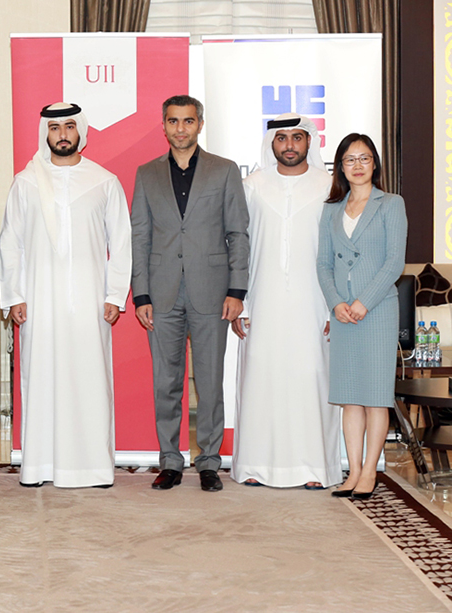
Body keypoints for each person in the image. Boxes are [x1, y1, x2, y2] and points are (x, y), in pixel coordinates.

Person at [0, 102, 132, 489]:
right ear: (46, 133)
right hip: (39, 302)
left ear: (81, 132)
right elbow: (10, 243)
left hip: (90, 302)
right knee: (42, 379)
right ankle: (40, 467)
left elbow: (121, 243)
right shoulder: (26, 182)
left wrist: (114, 295)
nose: (62, 135)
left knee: (90, 381)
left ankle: (93, 468)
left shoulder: (104, 181)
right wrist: (15, 295)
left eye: (69, 127)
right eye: (55, 128)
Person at [130, 95, 249, 493]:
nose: (180, 128)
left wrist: (236, 289)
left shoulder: (224, 170)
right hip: (161, 293)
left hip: (213, 293)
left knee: (210, 382)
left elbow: (238, 233)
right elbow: (140, 236)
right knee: (166, 382)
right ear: (163, 125)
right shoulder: (147, 174)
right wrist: (141, 295)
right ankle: (170, 461)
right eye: (173, 121)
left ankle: (209, 462)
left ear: (200, 124)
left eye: (188, 121)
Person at [231, 113, 340, 489]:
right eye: (282, 138)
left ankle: (314, 469)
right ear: (271, 143)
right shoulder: (252, 186)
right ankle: (255, 465)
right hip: (262, 300)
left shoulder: (330, 186)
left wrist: (335, 304)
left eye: (297, 137)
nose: (289, 145)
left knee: (311, 379)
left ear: (310, 141)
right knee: (261, 379)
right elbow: (239, 247)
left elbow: (339, 250)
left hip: (315, 302)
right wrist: (241, 301)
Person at [316, 133, 407, 500]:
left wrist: (363, 302)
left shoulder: (391, 204)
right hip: (343, 315)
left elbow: (394, 262)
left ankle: (370, 471)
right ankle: (352, 471)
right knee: (350, 395)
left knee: (375, 396)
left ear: (375, 164)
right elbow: (323, 263)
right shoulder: (331, 209)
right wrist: (336, 302)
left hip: (377, 310)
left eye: (364, 158)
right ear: (340, 166)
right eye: (350, 159)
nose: (357, 165)